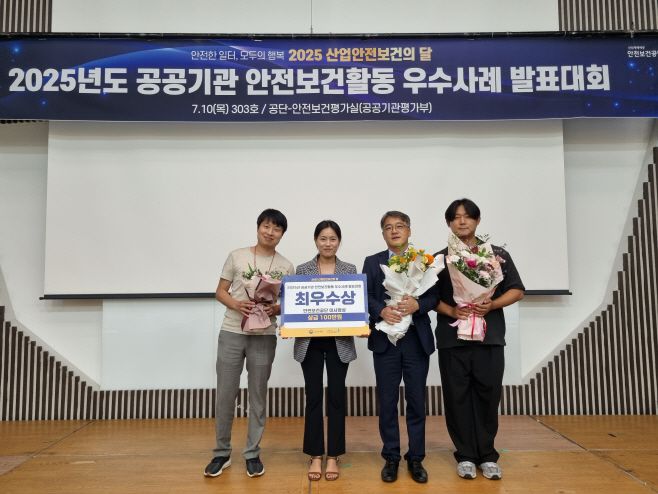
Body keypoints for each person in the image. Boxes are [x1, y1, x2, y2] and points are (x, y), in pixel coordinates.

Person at [435, 198, 525, 481]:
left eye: (467, 216)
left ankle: (487, 455)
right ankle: (464, 455)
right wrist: (451, 310)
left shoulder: (497, 255)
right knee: (456, 397)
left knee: (488, 395)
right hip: (453, 339)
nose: (462, 221)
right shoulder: (440, 259)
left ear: (477, 220)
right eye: (456, 217)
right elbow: (428, 297)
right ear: (449, 223)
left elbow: (517, 290)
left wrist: (492, 304)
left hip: (489, 338)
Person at [204, 209, 294, 479]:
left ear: (282, 234)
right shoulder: (237, 256)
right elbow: (220, 291)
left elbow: (289, 303)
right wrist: (237, 304)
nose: (270, 232)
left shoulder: (286, 266)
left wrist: (275, 309)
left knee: (258, 396)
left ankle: (252, 454)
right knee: (225, 394)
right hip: (232, 331)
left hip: (264, 335)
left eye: (276, 229)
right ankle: (221, 453)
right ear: (258, 228)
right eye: (266, 226)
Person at [362, 211, 438, 484]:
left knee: (416, 401)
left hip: (416, 341)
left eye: (400, 226)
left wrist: (418, 305)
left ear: (409, 230)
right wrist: (380, 311)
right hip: (386, 342)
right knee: (387, 402)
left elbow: (434, 295)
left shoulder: (424, 260)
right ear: (383, 233)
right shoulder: (373, 261)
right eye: (388, 227)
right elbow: (366, 295)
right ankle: (391, 457)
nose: (394, 231)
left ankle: (416, 458)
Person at [294, 220, 357, 482]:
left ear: (339, 241)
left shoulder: (349, 269)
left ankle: (334, 455)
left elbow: (355, 304)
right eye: (323, 238)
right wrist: (288, 324)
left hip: (338, 342)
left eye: (332, 239)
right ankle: (315, 455)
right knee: (313, 397)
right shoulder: (302, 269)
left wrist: (360, 324)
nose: (328, 243)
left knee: (337, 397)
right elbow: (295, 304)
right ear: (315, 241)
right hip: (309, 342)